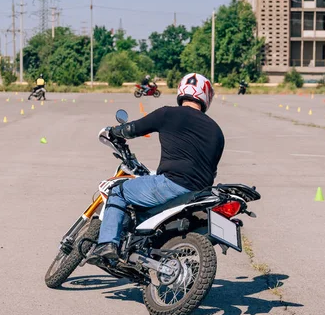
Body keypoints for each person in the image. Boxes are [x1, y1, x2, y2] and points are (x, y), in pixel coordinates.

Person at [87, 73, 225, 262]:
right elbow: (212, 169)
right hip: (199, 193)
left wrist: (113, 131)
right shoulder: (217, 131)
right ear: (206, 96)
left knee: (117, 191)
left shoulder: (168, 113)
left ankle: (107, 244)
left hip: (170, 184)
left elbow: (133, 129)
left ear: (181, 90)